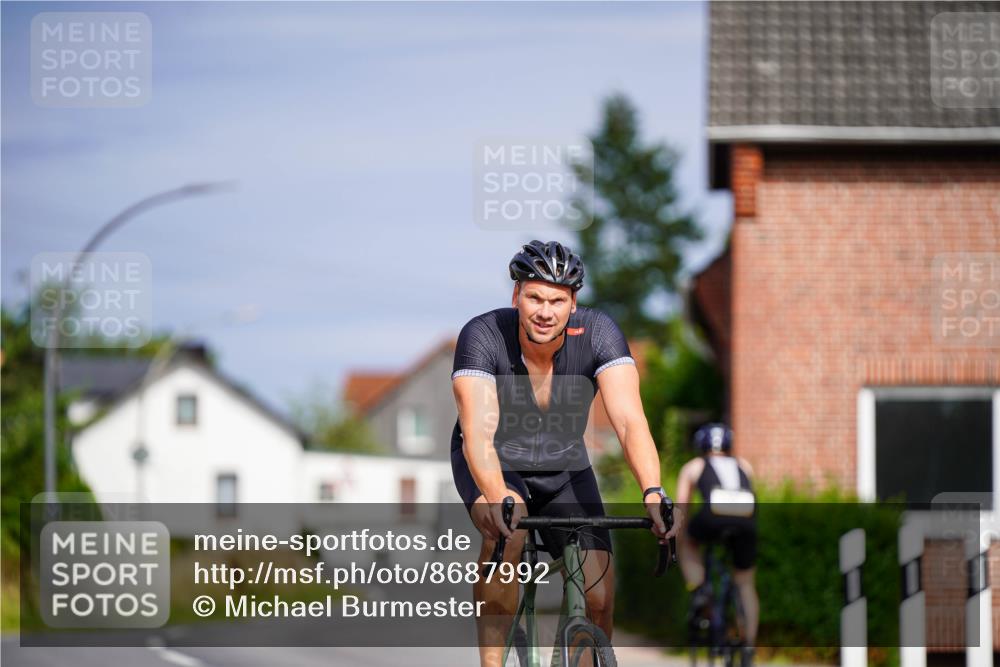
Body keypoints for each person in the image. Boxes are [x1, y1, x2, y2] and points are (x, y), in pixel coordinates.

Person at [451, 240, 675, 667]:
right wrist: (498, 495)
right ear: (516, 296)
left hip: (564, 465)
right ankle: (492, 662)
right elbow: (477, 435)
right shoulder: (482, 335)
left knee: (599, 594)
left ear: (573, 304)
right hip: (496, 460)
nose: (544, 310)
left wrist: (652, 491)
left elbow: (629, 422)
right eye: (534, 296)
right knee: (508, 534)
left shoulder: (600, 334)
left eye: (556, 300)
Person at [676, 423, 759, 664]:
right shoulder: (744, 465)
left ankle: (699, 589)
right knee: (745, 583)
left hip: (712, 517)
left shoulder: (694, 466)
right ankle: (749, 644)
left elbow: (683, 506)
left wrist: (678, 536)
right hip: (746, 518)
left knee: (688, 544)